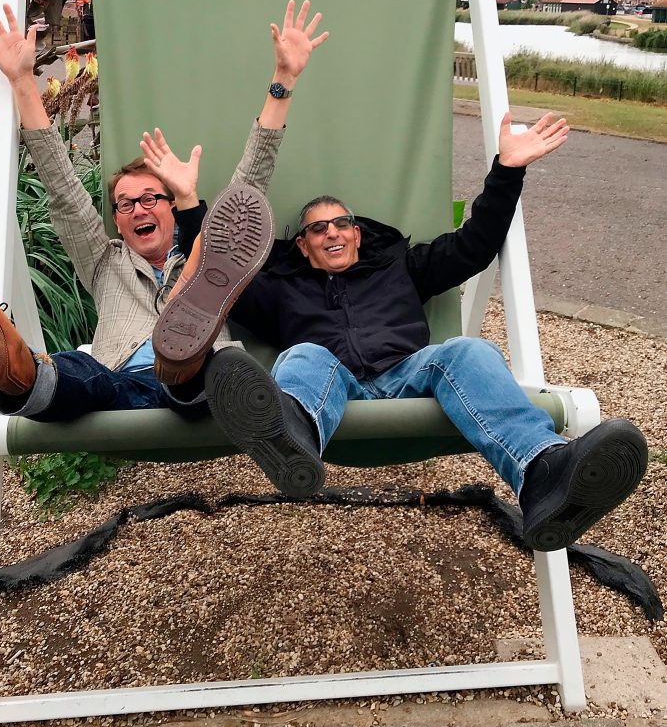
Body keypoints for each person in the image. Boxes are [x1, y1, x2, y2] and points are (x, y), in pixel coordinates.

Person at [158, 111, 648, 550]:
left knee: (467, 351)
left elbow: (474, 246)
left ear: (357, 234)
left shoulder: (402, 267)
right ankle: (290, 441)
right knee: (304, 355)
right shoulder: (282, 290)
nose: (331, 231)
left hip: (408, 374)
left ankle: (544, 475)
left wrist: (507, 169)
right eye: (316, 228)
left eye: (341, 223)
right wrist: (187, 202)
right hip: (330, 389)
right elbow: (223, 267)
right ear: (302, 247)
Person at [0, 0, 328, 428]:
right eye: (126, 203)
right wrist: (23, 81)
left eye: (151, 199)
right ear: (116, 222)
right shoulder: (104, 262)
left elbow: (245, 200)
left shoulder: (207, 256)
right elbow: (64, 189)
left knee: (202, 364)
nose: (139, 208)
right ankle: (3, 364)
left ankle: (181, 356)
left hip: (201, 392)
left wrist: (283, 79)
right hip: (118, 383)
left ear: (172, 210)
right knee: (77, 376)